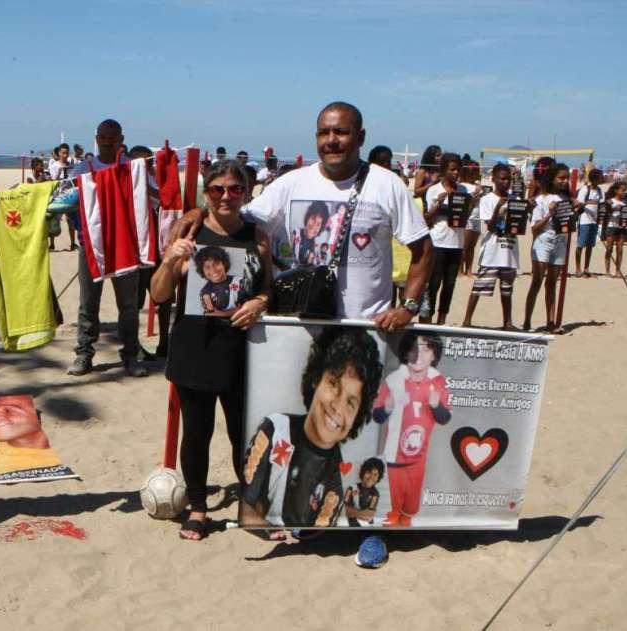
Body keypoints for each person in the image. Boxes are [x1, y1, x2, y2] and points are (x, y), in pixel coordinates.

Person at [172, 101, 432, 566]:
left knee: (368, 434)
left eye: (342, 133)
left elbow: (422, 249)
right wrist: (197, 209)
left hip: (364, 329)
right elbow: (234, 214)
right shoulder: (291, 185)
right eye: (324, 133)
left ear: (361, 135)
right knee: (314, 435)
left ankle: (370, 532)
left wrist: (408, 306)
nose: (332, 141)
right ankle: (310, 518)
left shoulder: (387, 185)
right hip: (303, 332)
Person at [150, 160, 273, 540]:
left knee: (244, 434)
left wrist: (260, 302)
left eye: (234, 189)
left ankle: (252, 505)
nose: (225, 196)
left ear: (246, 192)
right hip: (194, 349)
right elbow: (157, 293)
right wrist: (172, 260)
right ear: (206, 193)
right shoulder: (189, 233)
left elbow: (269, 289)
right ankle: (199, 507)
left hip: (240, 349)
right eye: (217, 189)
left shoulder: (258, 237)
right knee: (197, 433)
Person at [241, 326, 383, 529]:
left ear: (357, 417)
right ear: (316, 379)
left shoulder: (338, 475)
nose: (337, 406)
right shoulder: (276, 429)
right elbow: (246, 509)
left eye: (351, 403)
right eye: (334, 384)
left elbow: (319, 531)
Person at [67, 119, 148, 378]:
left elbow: (151, 199)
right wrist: (81, 231)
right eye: (103, 137)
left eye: (112, 137)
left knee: (128, 305)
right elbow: (67, 203)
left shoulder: (131, 169)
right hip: (92, 247)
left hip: (125, 247)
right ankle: (84, 354)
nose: (108, 141)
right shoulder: (82, 169)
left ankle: (131, 355)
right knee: (88, 304)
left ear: (121, 138)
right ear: (96, 138)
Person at [371, 331, 451, 527]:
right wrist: (387, 408)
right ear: (405, 354)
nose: (419, 355)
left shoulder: (437, 380)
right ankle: (388, 535)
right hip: (393, 459)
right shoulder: (393, 380)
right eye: (413, 349)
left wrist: (436, 406)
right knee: (391, 508)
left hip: (418, 459)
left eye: (425, 350)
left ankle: (404, 530)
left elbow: (444, 418)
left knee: (411, 508)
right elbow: (377, 415)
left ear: (434, 355)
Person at [421, 152, 480, 325]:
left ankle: (442, 319)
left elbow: (465, 216)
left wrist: (472, 202)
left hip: (456, 243)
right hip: (438, 241)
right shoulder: (434, 190)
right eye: (452, 169)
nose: (456, 173)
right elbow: (427, 218)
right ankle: (427, 319)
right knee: (433, 284)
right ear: (444, 170)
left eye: (458, 169)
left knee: (450, 284)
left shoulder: (463, 190)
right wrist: (439, 204)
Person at [461, 163, 519, 329]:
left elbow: (518, 225)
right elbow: (491, 226)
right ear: (494, 179)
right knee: (480, 285)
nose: (506, 182)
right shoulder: (487, 200)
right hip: (492, 250)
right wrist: (499, 207)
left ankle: (507, 322)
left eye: (508, 179)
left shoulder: (515, 199)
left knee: (507, 289)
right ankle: (467, 320)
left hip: (509, 249)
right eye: (502, 179)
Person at [523, 162, 578, 333]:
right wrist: (550, 214)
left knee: (552, 284)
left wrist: (576, 210)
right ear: (552, 179)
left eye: (566, 178)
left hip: (560, 243)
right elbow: (534, 229)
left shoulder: (566, 200)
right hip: (543, 243)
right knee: (537, 282)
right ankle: (527, 321)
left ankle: (551, 322)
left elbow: (569, 223)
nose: (564, 181)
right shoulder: (541, 199)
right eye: (561, 178)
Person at [574, 167, 604, 277]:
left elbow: (602, 203)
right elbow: (579, 203)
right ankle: (578, 268)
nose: (602, 179)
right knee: (580, 245)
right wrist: (591, 202)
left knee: (590, 246)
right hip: (584, 220)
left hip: (594, 221)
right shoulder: (585, 189)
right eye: (600, 177)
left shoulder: (600, 190)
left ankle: (586, 268)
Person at [49, 143, 79, 251]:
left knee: (70, 220)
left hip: (69, 194)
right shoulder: (54, 166)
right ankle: (52, 244)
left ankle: (72, 243)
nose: (65, 155)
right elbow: (52, 181)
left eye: (67, 153)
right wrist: (60, 171)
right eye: (63, 153)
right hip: (58, 194)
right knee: (54, 219)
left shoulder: (72, 165)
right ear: (59, 153)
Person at [345, 457, 385, 527]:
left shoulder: (375, 494)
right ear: (363, 472)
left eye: (375, 474)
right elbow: (345, 510)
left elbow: (369, 517)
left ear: (378, 477)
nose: (371, 477)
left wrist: (353, 512)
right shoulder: (351, 488)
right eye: (369, 472)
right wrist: (361, 513)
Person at [460, 157, 483, 276]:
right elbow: (463, 203)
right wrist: (474, 195)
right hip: (468, 217)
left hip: (477, 217)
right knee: (464, 246)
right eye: (473, 172)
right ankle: (461, 270)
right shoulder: (462, 186)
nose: (475, 174)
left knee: (472, 246)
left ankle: (469, 269)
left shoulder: (478, 185)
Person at [602, 181, 627, 277]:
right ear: (616, 190)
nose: (624, 192)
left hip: (622, 227)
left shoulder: (625, 202)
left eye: (625, 191)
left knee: (620, 249)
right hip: (611, 226)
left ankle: (618, 271)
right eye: (622, 190)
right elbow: (605, 213)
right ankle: (607, 270)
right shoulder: (610, 201)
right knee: (609, 248)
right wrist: (614, 208)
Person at [413, 145, 442, 209]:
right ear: (430, 157)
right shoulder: (423, 172)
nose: (441, 157)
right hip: (424, 206)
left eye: (441, 155)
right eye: (438, 155)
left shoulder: (440, 171)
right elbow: (416, 192)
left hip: (437, 206)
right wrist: (432, 183)